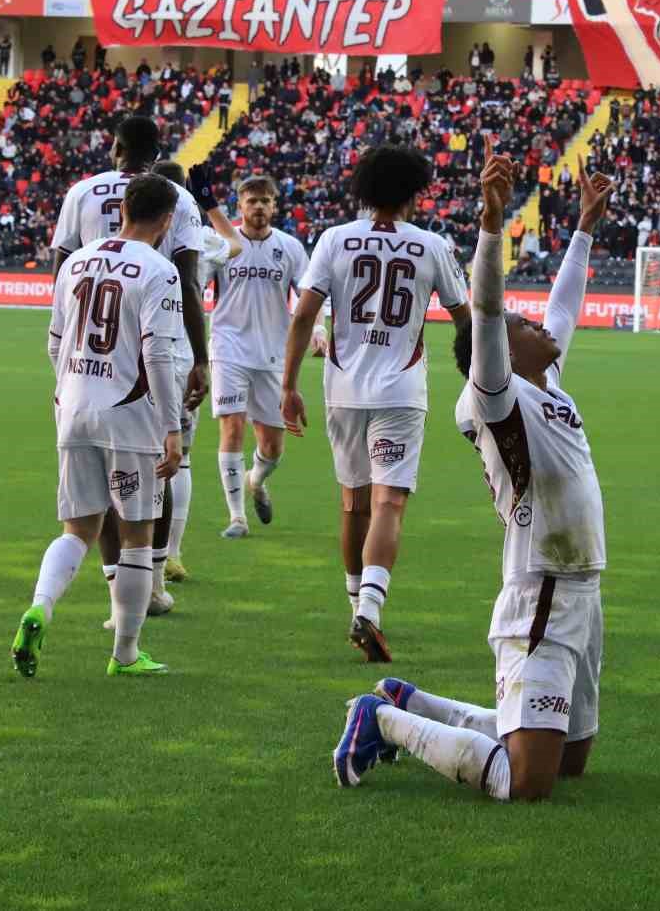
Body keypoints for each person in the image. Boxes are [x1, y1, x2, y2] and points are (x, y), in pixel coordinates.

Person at [330, 142, 614, 801]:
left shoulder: (546, 382)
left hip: (582, 585)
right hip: (542, 587)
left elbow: (565, 308)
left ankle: (414, 700)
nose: (536, 324)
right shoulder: (497, 397)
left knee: (570, 760)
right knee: (526, 783)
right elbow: (485, 311)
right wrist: (490, 226)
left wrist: (583, 229)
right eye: (521, 322)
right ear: (501, 355)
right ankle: (382, 720)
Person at [282, 145, 471, 661]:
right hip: (401, 392)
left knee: (353, 502)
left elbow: (303, 319)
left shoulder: (334, 239)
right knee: (390, 502)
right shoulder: (431, 245)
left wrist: (288, 386)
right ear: (414, 192)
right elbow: (464, 317)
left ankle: (354, 607)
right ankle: (371, 607)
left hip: (343, 388)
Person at [10, 174, 185, 679]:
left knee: (78, 529)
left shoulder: (78, 261)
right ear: (167, 220)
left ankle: (41, 605)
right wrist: (170, 427)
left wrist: (67, 388)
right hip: (128, 413)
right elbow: (157, 349)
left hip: (73, 403)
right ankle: (126, 654)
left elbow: (53, 341)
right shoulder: (160, 269)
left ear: (123, 209)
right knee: (135, 535)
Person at [51, 116, 211, 613]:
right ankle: (152, 586)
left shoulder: (82, 192)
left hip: (87, 357)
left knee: (92, 494)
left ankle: (111, 584)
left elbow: (60, 269)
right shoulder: (179, 199)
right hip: (157, 345)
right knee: (161, 468)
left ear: (116, 147)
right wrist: (201, 358)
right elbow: (186, 279)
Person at [151, 160, 241, 585]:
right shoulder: (200, 235)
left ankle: (129, 560)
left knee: (135, 453)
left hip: (133, 351)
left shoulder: (132, 225)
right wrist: (210, 205)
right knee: (180, 458)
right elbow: (236, 245)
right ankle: (171, 553)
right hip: (183, 350)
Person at [211, 177, 307, 538]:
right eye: (252, 201)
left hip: (273, 353)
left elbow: (309, 294)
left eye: (266, 201)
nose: (259, 207)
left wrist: (317, 330)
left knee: (272, 446)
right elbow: (196, 281)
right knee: (232, 426)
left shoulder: (291, 248)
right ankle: (237, 517)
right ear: (240, 205)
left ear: (275, 206)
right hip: (228, 346)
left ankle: (256, 480)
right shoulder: (223, 244)